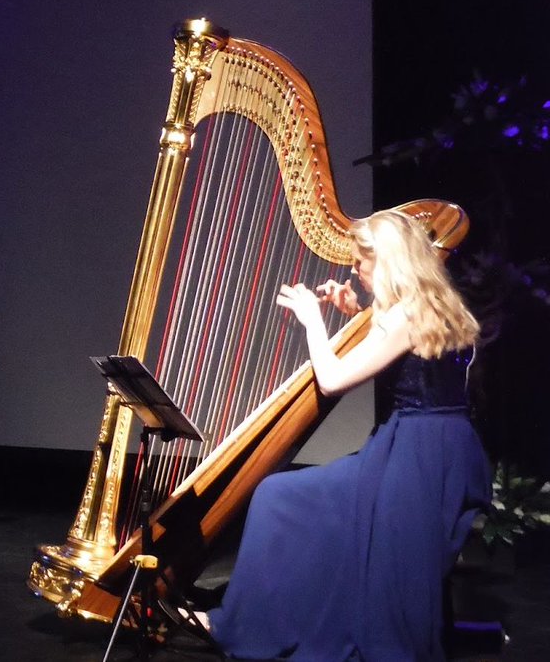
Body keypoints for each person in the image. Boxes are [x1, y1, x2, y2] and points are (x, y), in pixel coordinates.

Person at [205, 209, 492, 660]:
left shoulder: (407, 315)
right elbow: (405, 354)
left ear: (387, 261)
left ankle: (253, 622)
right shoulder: (433, 304)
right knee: (289, 497)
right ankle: (282, 611)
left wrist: (312, 321)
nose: (355, 270)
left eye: (361, 262)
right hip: (436, 448)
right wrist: (355, 310)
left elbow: (334, 380)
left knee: (278, 497)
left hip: (413, 458)